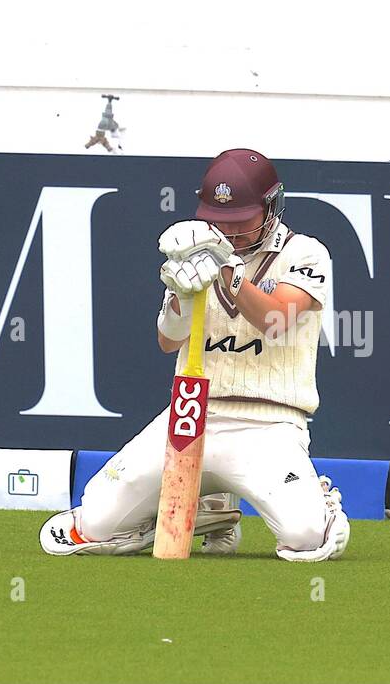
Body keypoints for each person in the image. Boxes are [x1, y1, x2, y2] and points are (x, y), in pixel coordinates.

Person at [39, 148, 349, 561]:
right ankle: (203, 510)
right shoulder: (193, 252)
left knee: (307, 539)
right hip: (190, 413)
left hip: (270, 423)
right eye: (219, 222)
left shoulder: (305, 253)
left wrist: (228, 271)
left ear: (271, 207)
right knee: (93, 526)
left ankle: (319, 503)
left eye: (241, 222)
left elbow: (277, 320)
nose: (229, 232)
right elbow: (167, 341)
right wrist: (183, 297)